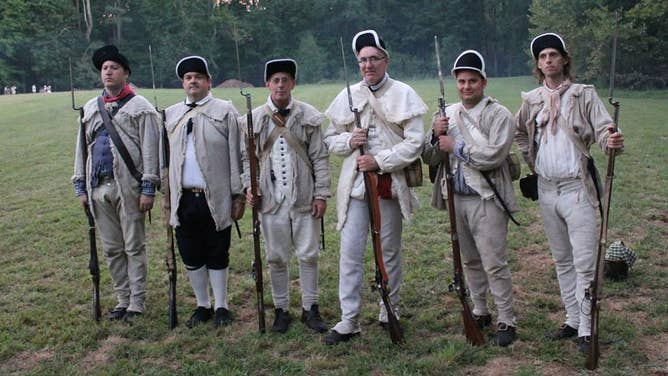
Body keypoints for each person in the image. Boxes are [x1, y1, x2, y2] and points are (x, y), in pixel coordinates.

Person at [515, 33, 625, 353]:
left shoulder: (583, 95)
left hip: (577, 188)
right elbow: (520, 131)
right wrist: (531, 161)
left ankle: (588, 328)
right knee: (562, 260)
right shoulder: (532, 100)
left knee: (584, 261)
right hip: (547, 189)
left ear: (564, 59)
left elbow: (605, 129)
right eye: (542, 56)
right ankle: (572, 320)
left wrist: (611, 142)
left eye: (553, 54)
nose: (548, 60)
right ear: (538, 64)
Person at [322, 29, 426, 345]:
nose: (368, 65)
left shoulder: (404, 93)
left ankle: (388, 309)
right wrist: (349, 140)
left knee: (389, 252)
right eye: (363, 60)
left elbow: (415, 142)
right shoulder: (349, 95)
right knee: (350, 253)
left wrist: (379, 161)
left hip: (389, 186)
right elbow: (330, 138)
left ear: (385, 60)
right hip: (356, 188)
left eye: (374, 59)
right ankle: (349, 319)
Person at [422, 50, 518, 346]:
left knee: (493, 262)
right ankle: (480, 310)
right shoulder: (446, 114)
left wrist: (456, 147)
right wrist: (434, 136)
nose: (466, 86)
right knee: (470, 261)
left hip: (486, 198)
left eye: (472, 81)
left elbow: (494, 155)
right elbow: (428, 157)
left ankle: (506, 319)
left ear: (483, 82)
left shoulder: (498, 114)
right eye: (462, 81)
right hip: (456, 198)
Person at [241, 58, 331, 334]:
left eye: (285, 80)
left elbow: (320, 158)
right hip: (270, 199)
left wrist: (322, 194)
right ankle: (281, 309)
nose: (280, 85)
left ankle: (309, 308)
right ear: (268, 84)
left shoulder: (308, 115)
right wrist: (249, 186)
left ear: (293, 83)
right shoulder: (253, 118)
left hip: (303, 196)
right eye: (275, 80)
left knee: (308, 254)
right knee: (276, 257)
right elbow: (247, 159)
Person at [71, 45, 160, 321]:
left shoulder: (140, 107)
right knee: (111, 247)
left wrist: (148, 187)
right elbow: (81, 149)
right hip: (99, 187)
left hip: (129, 187)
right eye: (104, 68)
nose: (108, 72)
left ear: (126, 73)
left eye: (114, 68)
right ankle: (122, 298)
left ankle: (137, 301)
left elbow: (150, 149)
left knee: (134, 246)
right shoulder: (90, 108)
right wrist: (81, 185)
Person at [163, 56, 245, 328]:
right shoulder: (171, 115)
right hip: (184, 199)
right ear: (183, 84)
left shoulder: (225, 111)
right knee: (190, 252)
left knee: (217, 250)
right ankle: (202, 305)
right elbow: (166, 161)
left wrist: (237, 194)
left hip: (215, 196)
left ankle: (221, 305)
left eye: (198, 76)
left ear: (209, 82)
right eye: (188, 77)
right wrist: (167, 198)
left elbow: (237, 153)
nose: (193, 81)